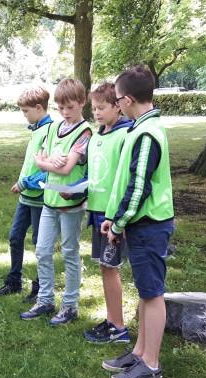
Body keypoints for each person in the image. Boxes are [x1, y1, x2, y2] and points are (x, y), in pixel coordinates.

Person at [100, 65, 175, 378]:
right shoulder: (141, 129)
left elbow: (139, 187)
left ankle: (152, 364)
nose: (116, 105)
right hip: (139, 223)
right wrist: (113, 217)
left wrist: (118, 223)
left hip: (149, 225)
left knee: (152, 293)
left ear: (128, 100)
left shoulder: (146, 135)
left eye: (116, 100)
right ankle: (140, 353)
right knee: (145, 292)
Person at [19, 78, 92, 325]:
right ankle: (45, 299)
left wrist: (49, 163)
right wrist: (47, 162)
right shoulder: (53, 128)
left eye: (70, 107)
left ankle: (70, 305)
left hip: (70, 205)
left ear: (82, 102)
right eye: (60, 107)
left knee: (70, 253)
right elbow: (43, 158)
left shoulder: (84, 132)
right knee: (42, 251)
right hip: (49, 202)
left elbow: (67, 167)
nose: (65, 112)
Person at [0, 86, 52, 303]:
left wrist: (25, 182)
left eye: (25, 111)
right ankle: (13, 282)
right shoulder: (35, 128)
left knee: (39, 243)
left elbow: (48, 169)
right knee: (15, 237)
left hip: (39, 198)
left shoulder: (50, 131)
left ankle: (40, 286)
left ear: (38, 107)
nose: (23, 115)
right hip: (25, 198)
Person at [82, 82, 133, 344]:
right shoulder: (98, 135)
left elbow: (125, 179)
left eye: (102, 107)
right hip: (97, 212)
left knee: (110, 267)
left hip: (112, 216)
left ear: (117, 106)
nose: (97, 113)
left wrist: (117, 218)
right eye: (93, 108)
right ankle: (112, 320)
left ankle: (119, 328)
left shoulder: (126, 135)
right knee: (104, 267)